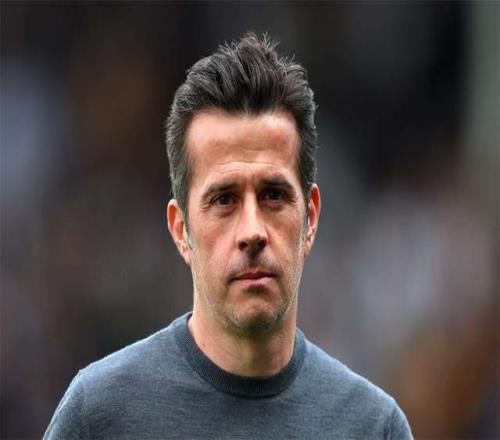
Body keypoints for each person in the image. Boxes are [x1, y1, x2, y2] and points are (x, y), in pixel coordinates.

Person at [44, 32, 413, 439]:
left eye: (273, 195)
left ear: (310, 217)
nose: (252, 231)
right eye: (224, 200)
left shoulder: (372, 426)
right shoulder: (99, 415)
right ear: (181, 229)